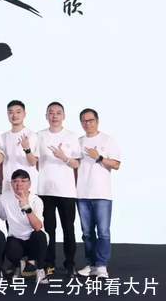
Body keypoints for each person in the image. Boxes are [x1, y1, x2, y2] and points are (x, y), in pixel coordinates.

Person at [76, 108, 121, 279]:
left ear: (97, 121)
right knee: (87, 232)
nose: (87, 123)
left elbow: (116, 164)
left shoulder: (107, 140)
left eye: (91, 120)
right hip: (82, 193)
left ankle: (102, 265)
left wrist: (99, 157)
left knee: (103, 231)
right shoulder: (78, 141)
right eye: (84, 121)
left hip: (102, 193)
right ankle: (92, 264)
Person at [37, 101, 80, 276]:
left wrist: (64, 157)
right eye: (51, 112)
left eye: (58, 113)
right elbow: (34, 161)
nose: (54, 116)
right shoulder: (39, 136)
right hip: (45, 190)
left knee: (68, 228)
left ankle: (70, 264)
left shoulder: (71, 136)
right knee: (49, 229)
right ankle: (49, 264)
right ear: (46, 116)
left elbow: (77, 163)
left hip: (66, 191)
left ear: (64, 116)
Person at [0, 169, 48, 284]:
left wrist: (26, 207)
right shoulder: (4, 198)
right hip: (16, 239)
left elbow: (37, 227)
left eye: (23, 181)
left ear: (29, 184)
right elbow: (2, 216)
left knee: (40, 236)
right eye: (15, 181)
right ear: (11, 184)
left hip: (33, 240)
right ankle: (18, 267)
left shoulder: (36, 200)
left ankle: (40, 270)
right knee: (9, 247)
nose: (19, 184)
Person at [2, 100, 40, 194]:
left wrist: (27, 149)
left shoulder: (32, 135)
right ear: (7, 114)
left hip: (27, 184)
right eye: (11, 112)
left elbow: (33, 162)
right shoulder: (3, 137)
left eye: (18, 112)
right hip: (8, 183)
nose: (14, 115)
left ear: (24, 114)